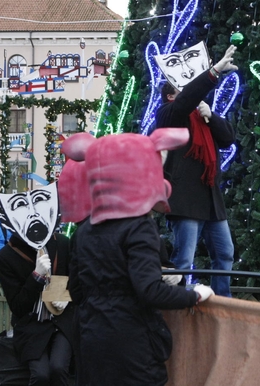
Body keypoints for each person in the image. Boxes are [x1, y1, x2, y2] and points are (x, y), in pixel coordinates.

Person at [63, 128, 215, 386]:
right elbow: (150, 291)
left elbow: (75, 290)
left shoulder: (85, 230)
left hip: (92, 341)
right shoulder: (138, 226)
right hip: (132, 344)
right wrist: (195, 295)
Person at [155, 44, 238, 297]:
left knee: (225, 254)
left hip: (211, 199)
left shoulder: (201, 117)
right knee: (184, 260)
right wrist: (212, 73)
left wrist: (211, 117)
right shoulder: (169, 114)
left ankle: (223, 303)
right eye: (183, 88)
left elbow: (227, 139)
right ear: (172, 95)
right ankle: (178, 302)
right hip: (184, 201)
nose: (190, 92)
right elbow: (187, 98)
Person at [0, 184, 75, 386]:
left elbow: (77, 280)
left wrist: (68, 296)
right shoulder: (7, 257)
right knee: (41, 374)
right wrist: (36, 276)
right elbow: (18, 306)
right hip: (31, 327)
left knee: (59, 367)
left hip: (62, 322)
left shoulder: (62, 243)